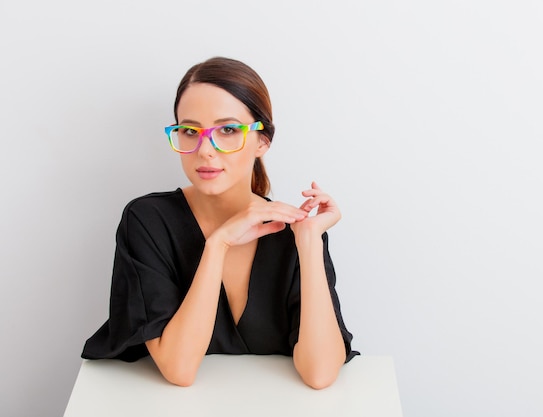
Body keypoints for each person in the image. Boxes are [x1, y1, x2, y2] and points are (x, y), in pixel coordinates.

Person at [81, 56, 358, 389]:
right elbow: (179, 369)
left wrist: (310, 241)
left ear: (262, 141)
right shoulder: (147, 221)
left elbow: (320, 374)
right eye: (189, 131)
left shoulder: (294, 232)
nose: (205, 150)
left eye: (227, 130)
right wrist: (218, 244)